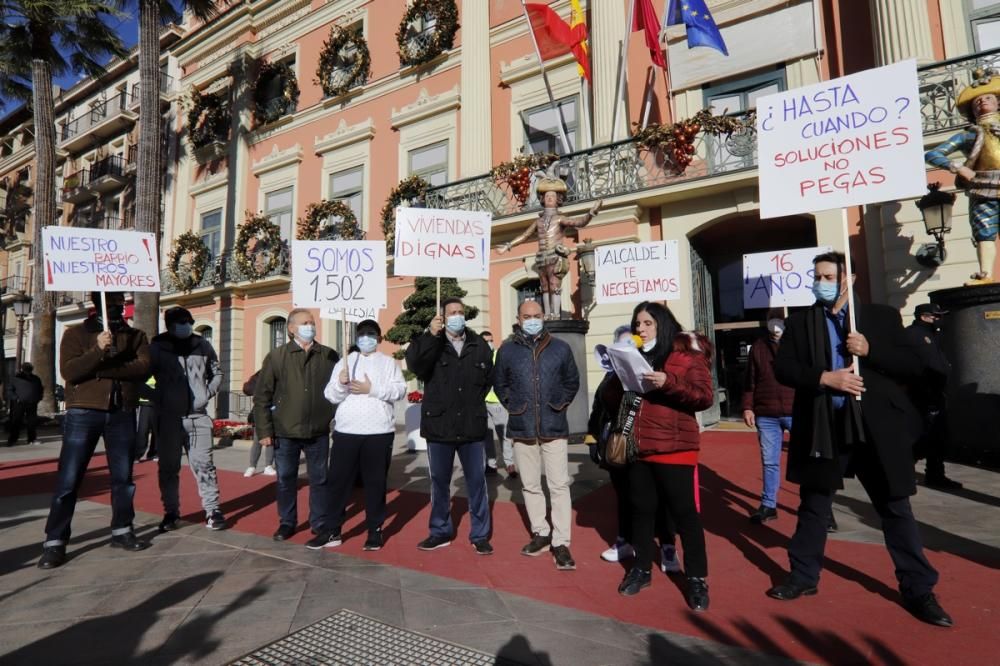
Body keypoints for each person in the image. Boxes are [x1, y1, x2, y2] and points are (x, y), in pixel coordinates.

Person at [767, 252, 953, 628]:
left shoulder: (880, 317)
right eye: (816, 276)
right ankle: (803, 577)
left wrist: (871, 351)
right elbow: (784, 368)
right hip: (825, 428)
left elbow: (915, 365)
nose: (821, 282)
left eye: (828, 276)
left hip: (876, 430)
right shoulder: (801, 322)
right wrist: (824, 378)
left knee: (895, 508)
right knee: (814, 506)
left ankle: (919, 589)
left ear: (846, 278)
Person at [37, 291, 151, 569]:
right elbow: (70, 371)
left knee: (123, 478)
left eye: (118, 305)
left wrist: (103, 371)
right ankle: (55, 541)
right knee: (69, 479)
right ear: (95, 305)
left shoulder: (135, 336)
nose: (115, 310)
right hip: (83, 411)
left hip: (121, 411)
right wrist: (98, 350)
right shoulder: (76, 334)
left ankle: (122, 530)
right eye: (109, 305)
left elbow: (143, 368)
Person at [613, 303, 714, 611]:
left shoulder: (686, 357)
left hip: (675, 447)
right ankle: (641, 569)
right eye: (637, 323)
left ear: (663, 324)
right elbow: (618, 400)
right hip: (640, 447)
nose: (640, 329)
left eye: (647, 323)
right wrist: (614, 375)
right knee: (641, 511)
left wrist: (668, 382)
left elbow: (704, 397)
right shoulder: (636, 355)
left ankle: (696, 579)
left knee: (684, 514)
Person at [494, 299, 580, 570]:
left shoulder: (560, 348)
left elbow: (572, 381)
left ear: (544, 317)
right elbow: (500, 383)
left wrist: (559, 404)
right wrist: (514, 406)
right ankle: (541, 533)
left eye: (537, 315)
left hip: (554, 426)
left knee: (558, 485)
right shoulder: (507, 350)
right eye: (527, 316)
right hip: (522, 427)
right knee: (530, 484)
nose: (532, 319)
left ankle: (561, 541)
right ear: (518, 319)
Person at [405, 297, 494, 554]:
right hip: (440, 425)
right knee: (440, 481)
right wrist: (431, 335)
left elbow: (487, 378)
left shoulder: (478, 345)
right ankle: (440, 531)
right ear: (442, 317)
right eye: (452, 312)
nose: (457, 316)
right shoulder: (433, 342)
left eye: (460, 312)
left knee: (477, 482)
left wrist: (471, 402)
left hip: (471, 426)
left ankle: (480, 534)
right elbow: (416, 365)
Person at [589, 325, 680, 571]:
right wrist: (593, 438)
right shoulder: (609, 376)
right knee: (624, 495)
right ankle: (624, 540)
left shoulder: (651, 372)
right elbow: (599, 409)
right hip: (618, 445)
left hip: (645, 442)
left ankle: (668, 546)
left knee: (657, 498)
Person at [254, 308, 340, 547]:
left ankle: (319, 523)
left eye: (312, 322)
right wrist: (264, 432)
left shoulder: (328, 355)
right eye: (304, 323)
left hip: (318, 431)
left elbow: (337, 391)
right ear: (291, 328)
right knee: (286, 480)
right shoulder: (277, 356)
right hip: (285, 431)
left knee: (320, 479)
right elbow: (262, 396)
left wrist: (331, 417)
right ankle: (287, 522)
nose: (310, 326)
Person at [323, 320, 407, 551]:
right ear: (356, 337)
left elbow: (400, 390)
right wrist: (341, 384)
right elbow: (330, 395)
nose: (366, 338)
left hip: (378, 432)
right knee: (338, 483)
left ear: (379, 338)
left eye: (371, 334)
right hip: (346, 431)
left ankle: (374, 530)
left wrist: (374, 390)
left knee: (375, 484)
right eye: (362, 334)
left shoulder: (389, 363)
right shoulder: (345, 361)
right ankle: (333, 530)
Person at [151, 307, 227, 532]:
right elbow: (144, 378)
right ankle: (171, 512)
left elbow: (217, 373)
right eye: (181, 322)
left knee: (205, 466)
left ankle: (213, 511)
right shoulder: (156, 347)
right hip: (168, 419)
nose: (186, 325)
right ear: (170, 325)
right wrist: (158, 395)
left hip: (198, 418)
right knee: (168, 469)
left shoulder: (202, 345)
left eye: (189, 321)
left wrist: (205, 394)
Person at [924, 68, 1000, 284]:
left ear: (997, 102)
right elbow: (932, 153)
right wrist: (956, 167)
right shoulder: (967, 135)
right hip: (982, 186)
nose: (981, 102)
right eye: (976, 101)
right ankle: (986, 274)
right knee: (984, 231)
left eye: (987, 98)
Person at [496, 166, 602, 318]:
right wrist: (508, 246)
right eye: (546, 196)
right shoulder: (538, 221)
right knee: (545, 287)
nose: (549, 198)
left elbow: (579, 222)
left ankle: (556, 314)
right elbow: (525, 235)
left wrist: (591, 213)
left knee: (554, 285)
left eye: (552, 196)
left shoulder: (560, 218)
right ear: (542, 200)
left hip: (555, 256)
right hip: (541, 257)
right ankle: (547, 314)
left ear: (558, 200)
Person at [741, 317, 795, 524]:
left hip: (796, 409)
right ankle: (769, 504)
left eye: (778, 321)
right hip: (766, 414)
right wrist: (747, 407)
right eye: (771, 321)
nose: (775, 326)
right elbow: (750, 380)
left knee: (809, 461)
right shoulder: (758, 346)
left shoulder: (795, 343)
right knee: (770, 461)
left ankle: (821, 508)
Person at [905, 303, 962, 490]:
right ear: (924, 317)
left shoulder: (933, 334)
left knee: (937, 438)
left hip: (936, 394)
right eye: (936, 316)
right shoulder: (913, 335)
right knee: (921, 438)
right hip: (921, 396)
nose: (939, 319)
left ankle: (935, 475)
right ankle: (904, 474)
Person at [480, 330, 513, 477]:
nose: (489, 343)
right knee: (486, 435)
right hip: (482, 402)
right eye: (485, 340)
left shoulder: (497, 356)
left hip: (497, 402)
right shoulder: (477, 357)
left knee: (504, 435)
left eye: (490, 340)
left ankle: (509, 463)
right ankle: (491, 464)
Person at [242, 370, 275, 477]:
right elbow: (247, 389)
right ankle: (252, 466)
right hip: (260, 412)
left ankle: (268, 466)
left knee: (270, 439)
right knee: (257, 440)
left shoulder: (276, 375)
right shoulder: (258, 377)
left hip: (272, 411)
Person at [8, 361, 43, 446]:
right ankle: (12, 440)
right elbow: (9, 390)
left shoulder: (36, 378)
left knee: (31, 422)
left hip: (32, 403)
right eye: (26, 369)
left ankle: (32, 439)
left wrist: (38, 398)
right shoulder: (16, 378)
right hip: (19, 404)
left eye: (29, 369)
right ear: (23, 369)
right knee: (16, 421)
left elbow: (40, 389)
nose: (28, 371)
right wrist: (16, 399)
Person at [135, 376, 158, 462]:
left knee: (157, 428)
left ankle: (154, 452)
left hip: (159, 400)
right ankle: (137, 454)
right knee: (143, 428)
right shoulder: (146, 365)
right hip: (145, 400)